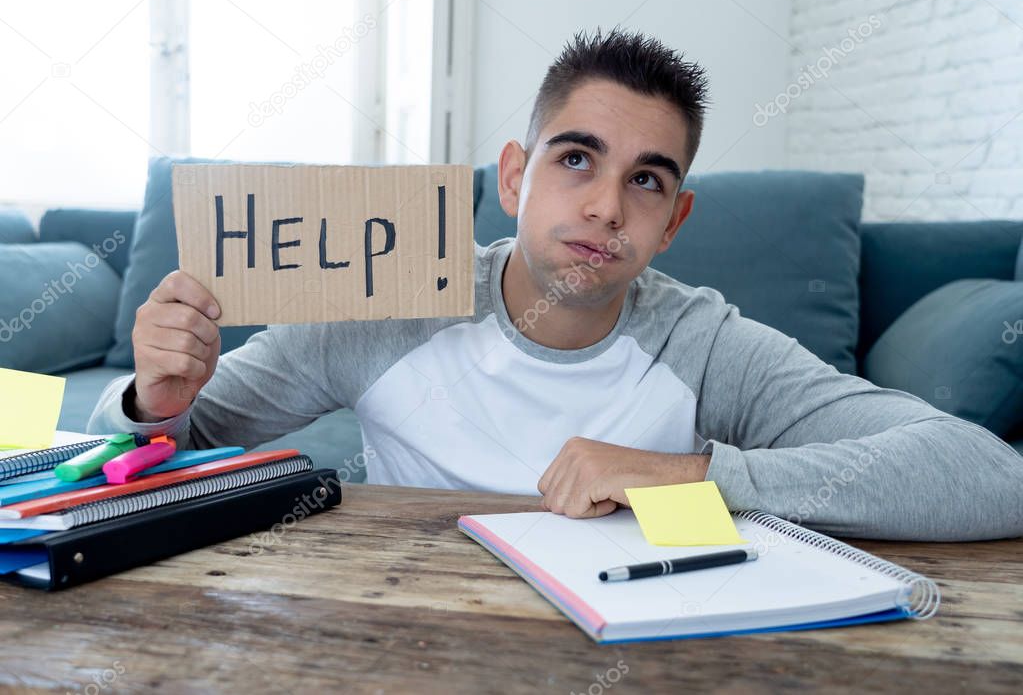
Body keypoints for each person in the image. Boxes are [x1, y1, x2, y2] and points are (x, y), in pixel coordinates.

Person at [89, 28, 1022, 541]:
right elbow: (132, 465)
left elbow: (989, 480)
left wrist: (693, 474)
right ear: (511, 178)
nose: (608, 207)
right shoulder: (390, 297)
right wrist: (152, 402)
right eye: (576, 158)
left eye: (646, 180)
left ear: (673, 222)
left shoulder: (702, 341)